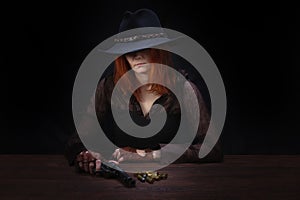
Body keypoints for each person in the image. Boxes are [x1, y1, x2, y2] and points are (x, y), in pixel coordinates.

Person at [64, 8, 223, 174]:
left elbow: (213, 149)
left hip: (174, 183)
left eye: (144, 48)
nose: (136, 56)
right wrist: (84, 154)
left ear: (159, 50)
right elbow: (76, 140)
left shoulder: (184, 89)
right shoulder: (108, 87)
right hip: (120, 186)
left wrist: (153, 155)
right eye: (129, 50)